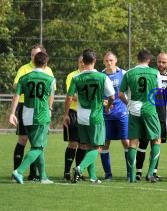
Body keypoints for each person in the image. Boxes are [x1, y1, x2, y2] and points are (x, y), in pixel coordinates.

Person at [65, 49, 115, 184]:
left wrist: (65, 114)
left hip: (81, 116)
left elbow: (69, 97)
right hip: (95, 116)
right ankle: (80, 168)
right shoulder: (102, 77)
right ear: (94, 61)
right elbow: (112, 96)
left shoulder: (77, 78)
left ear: (83, 61)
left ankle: (92, 177)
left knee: (87, 146)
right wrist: (108, 106)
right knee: (98, 147)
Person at [10, 51, 56, 184]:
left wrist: (12, 113)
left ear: (34, 61)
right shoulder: (50, 79)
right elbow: (51, 97)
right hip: (41, 115)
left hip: (26, 113)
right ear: (45, 63)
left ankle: (43, 176)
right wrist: (50, 109)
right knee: (38, 147)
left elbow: (17, 96)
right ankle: (19, 171)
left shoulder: (24, 78)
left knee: (37, 145)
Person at [119, 49, 162, 183]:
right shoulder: (155, 73)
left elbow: (120, 94)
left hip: (134, 109)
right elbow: (159, 91)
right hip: (149, 108)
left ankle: (132, 177)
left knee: (133, 142)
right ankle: (150, 173)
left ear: (137, 59)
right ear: (148, 60)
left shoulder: (129, 73)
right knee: (156, 140)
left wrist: (128, 104)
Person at [137, 52, 167, 181]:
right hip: (147, 113)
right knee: (142, 144)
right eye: (159, 61)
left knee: (156, 144)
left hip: (161, 116)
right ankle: (138, 172)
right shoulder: (151, 74)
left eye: (164, 62)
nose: (161, 64)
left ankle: (153, 172)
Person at [100, 51, 130, 181]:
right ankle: (108, 174)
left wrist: (129, 104)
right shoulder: (100, 75)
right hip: (106, 114)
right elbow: (98, 94)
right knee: (105, 144)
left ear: (116, 60)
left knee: (126, 142)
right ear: (103, 62)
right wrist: (103, 102)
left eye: (111, 60)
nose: (109, 63)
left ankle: (130, 173)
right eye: (106, 60)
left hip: (122, 113)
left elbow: (130, 90)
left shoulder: (123, 74)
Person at [62, 55, 85, 181]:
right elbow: (72, 95)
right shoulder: (72, 76)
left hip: (86, 113)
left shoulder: (92, 74)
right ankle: (66, 172)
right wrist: (87, 98)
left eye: (84, 62)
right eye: (80, 62)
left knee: (83, 145)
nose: (82, 64)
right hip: (74, 113)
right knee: (73, 143)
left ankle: (78, 171)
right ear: (78, 63)